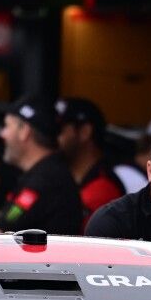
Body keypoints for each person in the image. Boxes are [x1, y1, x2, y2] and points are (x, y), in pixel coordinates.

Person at [0, 96, 85, 236]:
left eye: (7, 126)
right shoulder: (47, 173)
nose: (2, 134)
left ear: (24, 132)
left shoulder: (44, 181)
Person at [55, 97, 125, 233]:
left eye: (59, 130)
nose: (53, 137)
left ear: (84, 132)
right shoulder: (64, 177)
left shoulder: (102, 188)